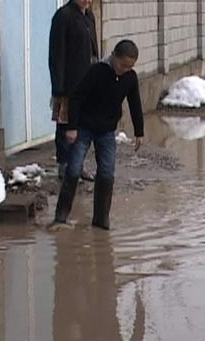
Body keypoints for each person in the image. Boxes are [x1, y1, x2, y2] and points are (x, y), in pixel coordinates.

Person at [52, 40, 144, 230]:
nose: (125, 69)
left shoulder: (130, 77)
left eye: (130, 66)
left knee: (107, 173)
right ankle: (60, 218)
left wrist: (139, 132)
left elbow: (135, 103)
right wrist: (71, 127)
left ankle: (101, 221)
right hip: (84, 127)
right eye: (123, 65)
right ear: (113, 56)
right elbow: (76, 98)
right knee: (74, 169)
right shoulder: (97, 71)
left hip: (107, 131)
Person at [49, 0, 99, 181]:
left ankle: (78, 164)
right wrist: (58, 88)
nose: (86, 0)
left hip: (87, 82)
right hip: (67, 82)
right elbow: (56, 55)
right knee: (64, 124)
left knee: (83, 125)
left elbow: (94, 48)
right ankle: (64, 165)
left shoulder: (89, 17)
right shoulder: (63, 17)